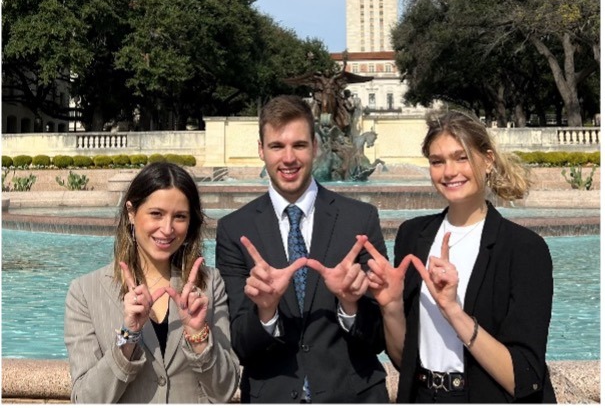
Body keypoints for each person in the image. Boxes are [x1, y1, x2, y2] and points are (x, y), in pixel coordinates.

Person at [364, 109, 556, 403]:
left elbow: (524, 377)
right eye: (437, 161)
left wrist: (453, 311)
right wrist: (390, 306)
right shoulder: (412, 236)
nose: (449, 171)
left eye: (461, 157)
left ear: (488, 160)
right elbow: (405, 361)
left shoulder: (524, 249)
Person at [215, 94, 389, 403]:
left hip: (353, 394)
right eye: (276, 146)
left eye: (299, 145)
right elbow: (240, 343)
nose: (289, 158)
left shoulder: (360, 219)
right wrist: (265, 311)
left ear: (316, 147)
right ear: (261, 150)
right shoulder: (234, 230)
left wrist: (350, 306)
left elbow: (379, 337)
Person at [64, 162, 240, 403]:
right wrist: (128, 338)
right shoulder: (84, 292)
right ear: (131, 212)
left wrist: (198, 335)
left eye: (179, 217)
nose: (167, 229)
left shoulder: (210, 284)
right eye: (156, 214)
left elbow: (225, 390)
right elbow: (85, 400)